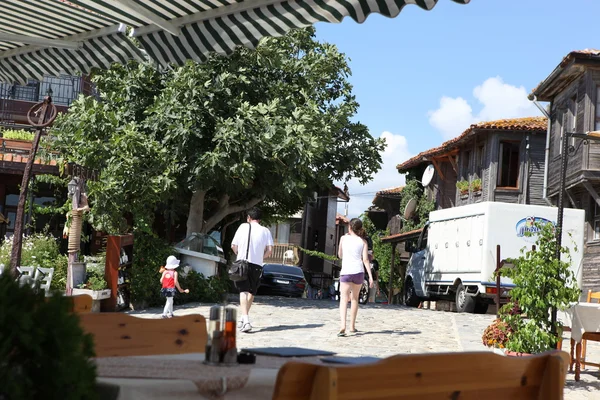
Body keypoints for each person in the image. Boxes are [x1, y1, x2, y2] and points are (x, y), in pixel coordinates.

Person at [231, 207, 273, 333]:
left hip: (242, 263)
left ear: (249, 217)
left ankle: (246, 320)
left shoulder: (243, 227)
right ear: (260, 219)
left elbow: (234, 246)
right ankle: (244, 318)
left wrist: (240, 254)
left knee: (243, 291)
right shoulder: (265, 231)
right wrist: (260, 257)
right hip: (257, 265)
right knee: (251, 292)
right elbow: (270, 251)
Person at [337, 218, 374, 337]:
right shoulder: (363, 242)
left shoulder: (343, 238)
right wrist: (371, 277)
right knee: (354, 299)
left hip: (346, 271)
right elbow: (365, 260)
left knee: (344, 299)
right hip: (358, 272)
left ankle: (343, 325)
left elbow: (340, 255)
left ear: (349, 227)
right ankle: (352, 326)